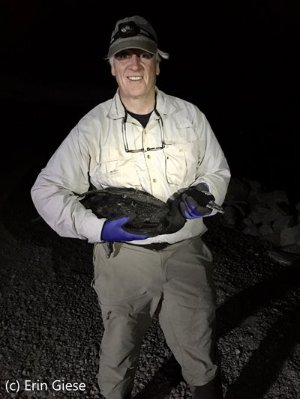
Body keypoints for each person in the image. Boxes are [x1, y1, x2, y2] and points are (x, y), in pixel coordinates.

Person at [31, 15, 230, 399]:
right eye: (124, 56)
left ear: (158, 62)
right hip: (122, 257)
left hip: (185, 251)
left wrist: (201, 195)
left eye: (143, 55)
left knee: (199, 346)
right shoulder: (93, 126)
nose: (134, 64)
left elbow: (217, 171)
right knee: (118, 352)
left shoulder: (191, 117)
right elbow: (47, 189)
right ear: (112, 67)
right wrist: (99, 229)